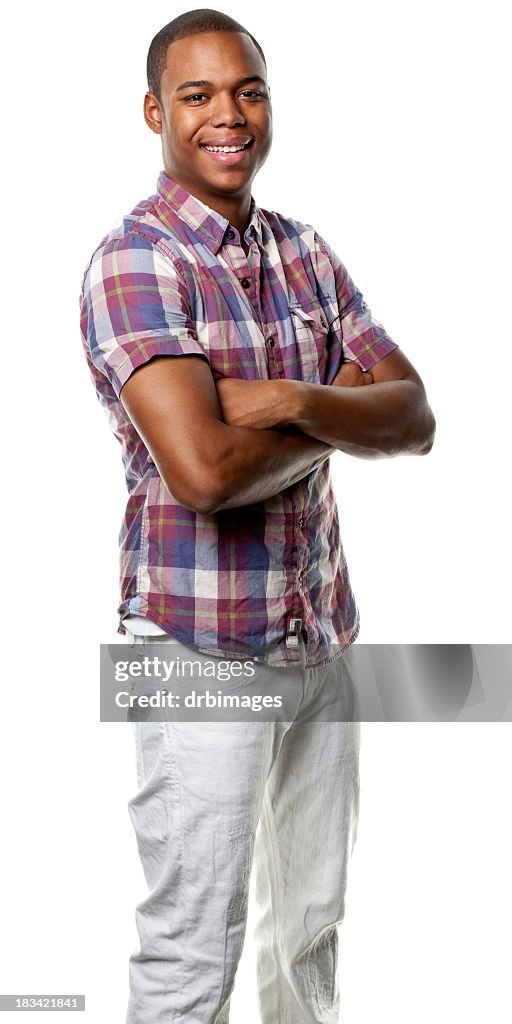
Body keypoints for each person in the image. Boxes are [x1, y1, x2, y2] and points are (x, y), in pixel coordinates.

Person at [80, 9, 436, 1023]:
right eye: (196, 95)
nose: (226, 115)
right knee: (194, 943)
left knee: (312, 934)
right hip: (192, 649)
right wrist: (341, 408)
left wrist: (282, 399)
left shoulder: (303, 252)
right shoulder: (135, 262)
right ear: (155, 111)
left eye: (246, 91)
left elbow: (411, 416)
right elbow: (201, 471)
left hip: (317, 637)